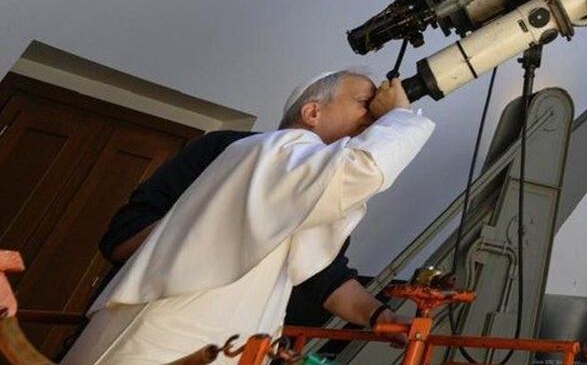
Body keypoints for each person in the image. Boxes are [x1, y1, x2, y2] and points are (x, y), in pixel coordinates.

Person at [62, 72, 432, 365]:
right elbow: (363, 169)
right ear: (312, 113)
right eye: (366, 104)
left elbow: (320, 274)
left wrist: (380, 316)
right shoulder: (270, 150)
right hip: (168, 341)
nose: (375, 117)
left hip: (227, 345)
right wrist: (399, 117)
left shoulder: (302, 184)